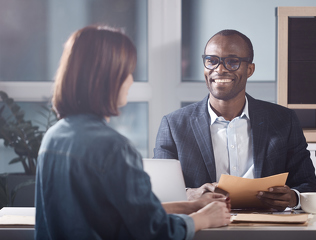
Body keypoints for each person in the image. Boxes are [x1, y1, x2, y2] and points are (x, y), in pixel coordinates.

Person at [35, 25, 231, 240]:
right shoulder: (112, 147)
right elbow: (153, 230)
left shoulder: (53, 137)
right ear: (107, 78)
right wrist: (203, 219)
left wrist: (191, 206)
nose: (130, 81)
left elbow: (114, 213)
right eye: (127, 73)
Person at [154, 29, 316, 212]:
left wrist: (292, 198)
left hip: (267, 229)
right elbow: (160, 195)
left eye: (232, 62)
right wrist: (189, 194)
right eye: (211, 61)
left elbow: (309, 187)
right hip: (205, 230)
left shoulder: (283, 121)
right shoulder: (174, 125)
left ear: (249, 69)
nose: (219, 69)